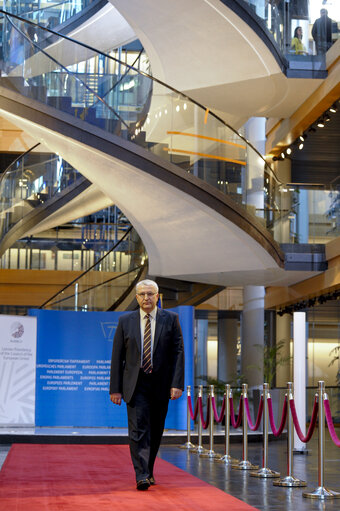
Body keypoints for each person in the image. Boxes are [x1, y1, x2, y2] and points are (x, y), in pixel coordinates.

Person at [110, 279, 185, 490]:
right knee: (138, 429)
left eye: (150, 294)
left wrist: (176, 383)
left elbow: (178, 352)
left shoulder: (171, 319)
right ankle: (141, 474)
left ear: (157, 296)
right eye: (142, 294)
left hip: (161, 384)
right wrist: (115, 388)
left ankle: (149, 469)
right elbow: (117, 357)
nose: (146, 298)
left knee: (155, 430)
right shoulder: (125, 321)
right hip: (136, 384)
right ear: (136, 298)